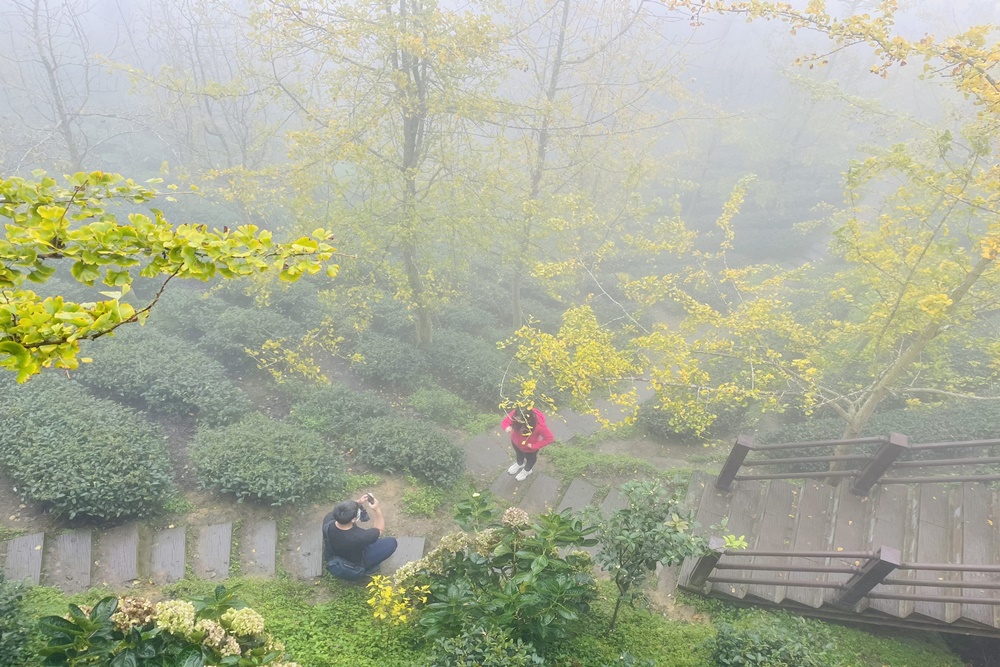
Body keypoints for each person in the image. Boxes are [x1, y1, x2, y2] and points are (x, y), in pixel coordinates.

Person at [322, 493, 398, 580]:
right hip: (354, 563)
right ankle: (368, 569)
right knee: (391, 543)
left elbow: (342, 511)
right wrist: (377, 510)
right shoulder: (360, 537)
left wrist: (358, 502)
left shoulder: (329, 519)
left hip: (333, 555)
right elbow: (379, 529)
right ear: (353, 519)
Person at [501, 406, 554, 481]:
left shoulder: (539, 426)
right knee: (518, 454)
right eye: (516, 417)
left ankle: (527, 471)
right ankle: (520, 464)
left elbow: (549, 438)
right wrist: (506, 427)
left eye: (519, 419)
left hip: (529, 449)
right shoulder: (518, 413)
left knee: (530, 459)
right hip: (515, 442)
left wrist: (534, 446)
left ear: (527, 419)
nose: (515, 419)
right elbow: (506, 421)